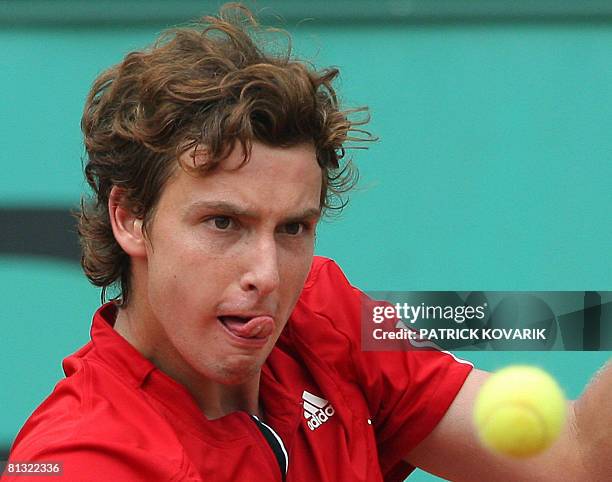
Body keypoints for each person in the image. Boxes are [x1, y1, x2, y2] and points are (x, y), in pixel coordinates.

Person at [6, 4, 611, 481]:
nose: (267, 274)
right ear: (130, 218)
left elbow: (578, 459)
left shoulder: (326, 311)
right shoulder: (83, 461)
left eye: (292, 228)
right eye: (224, 223)